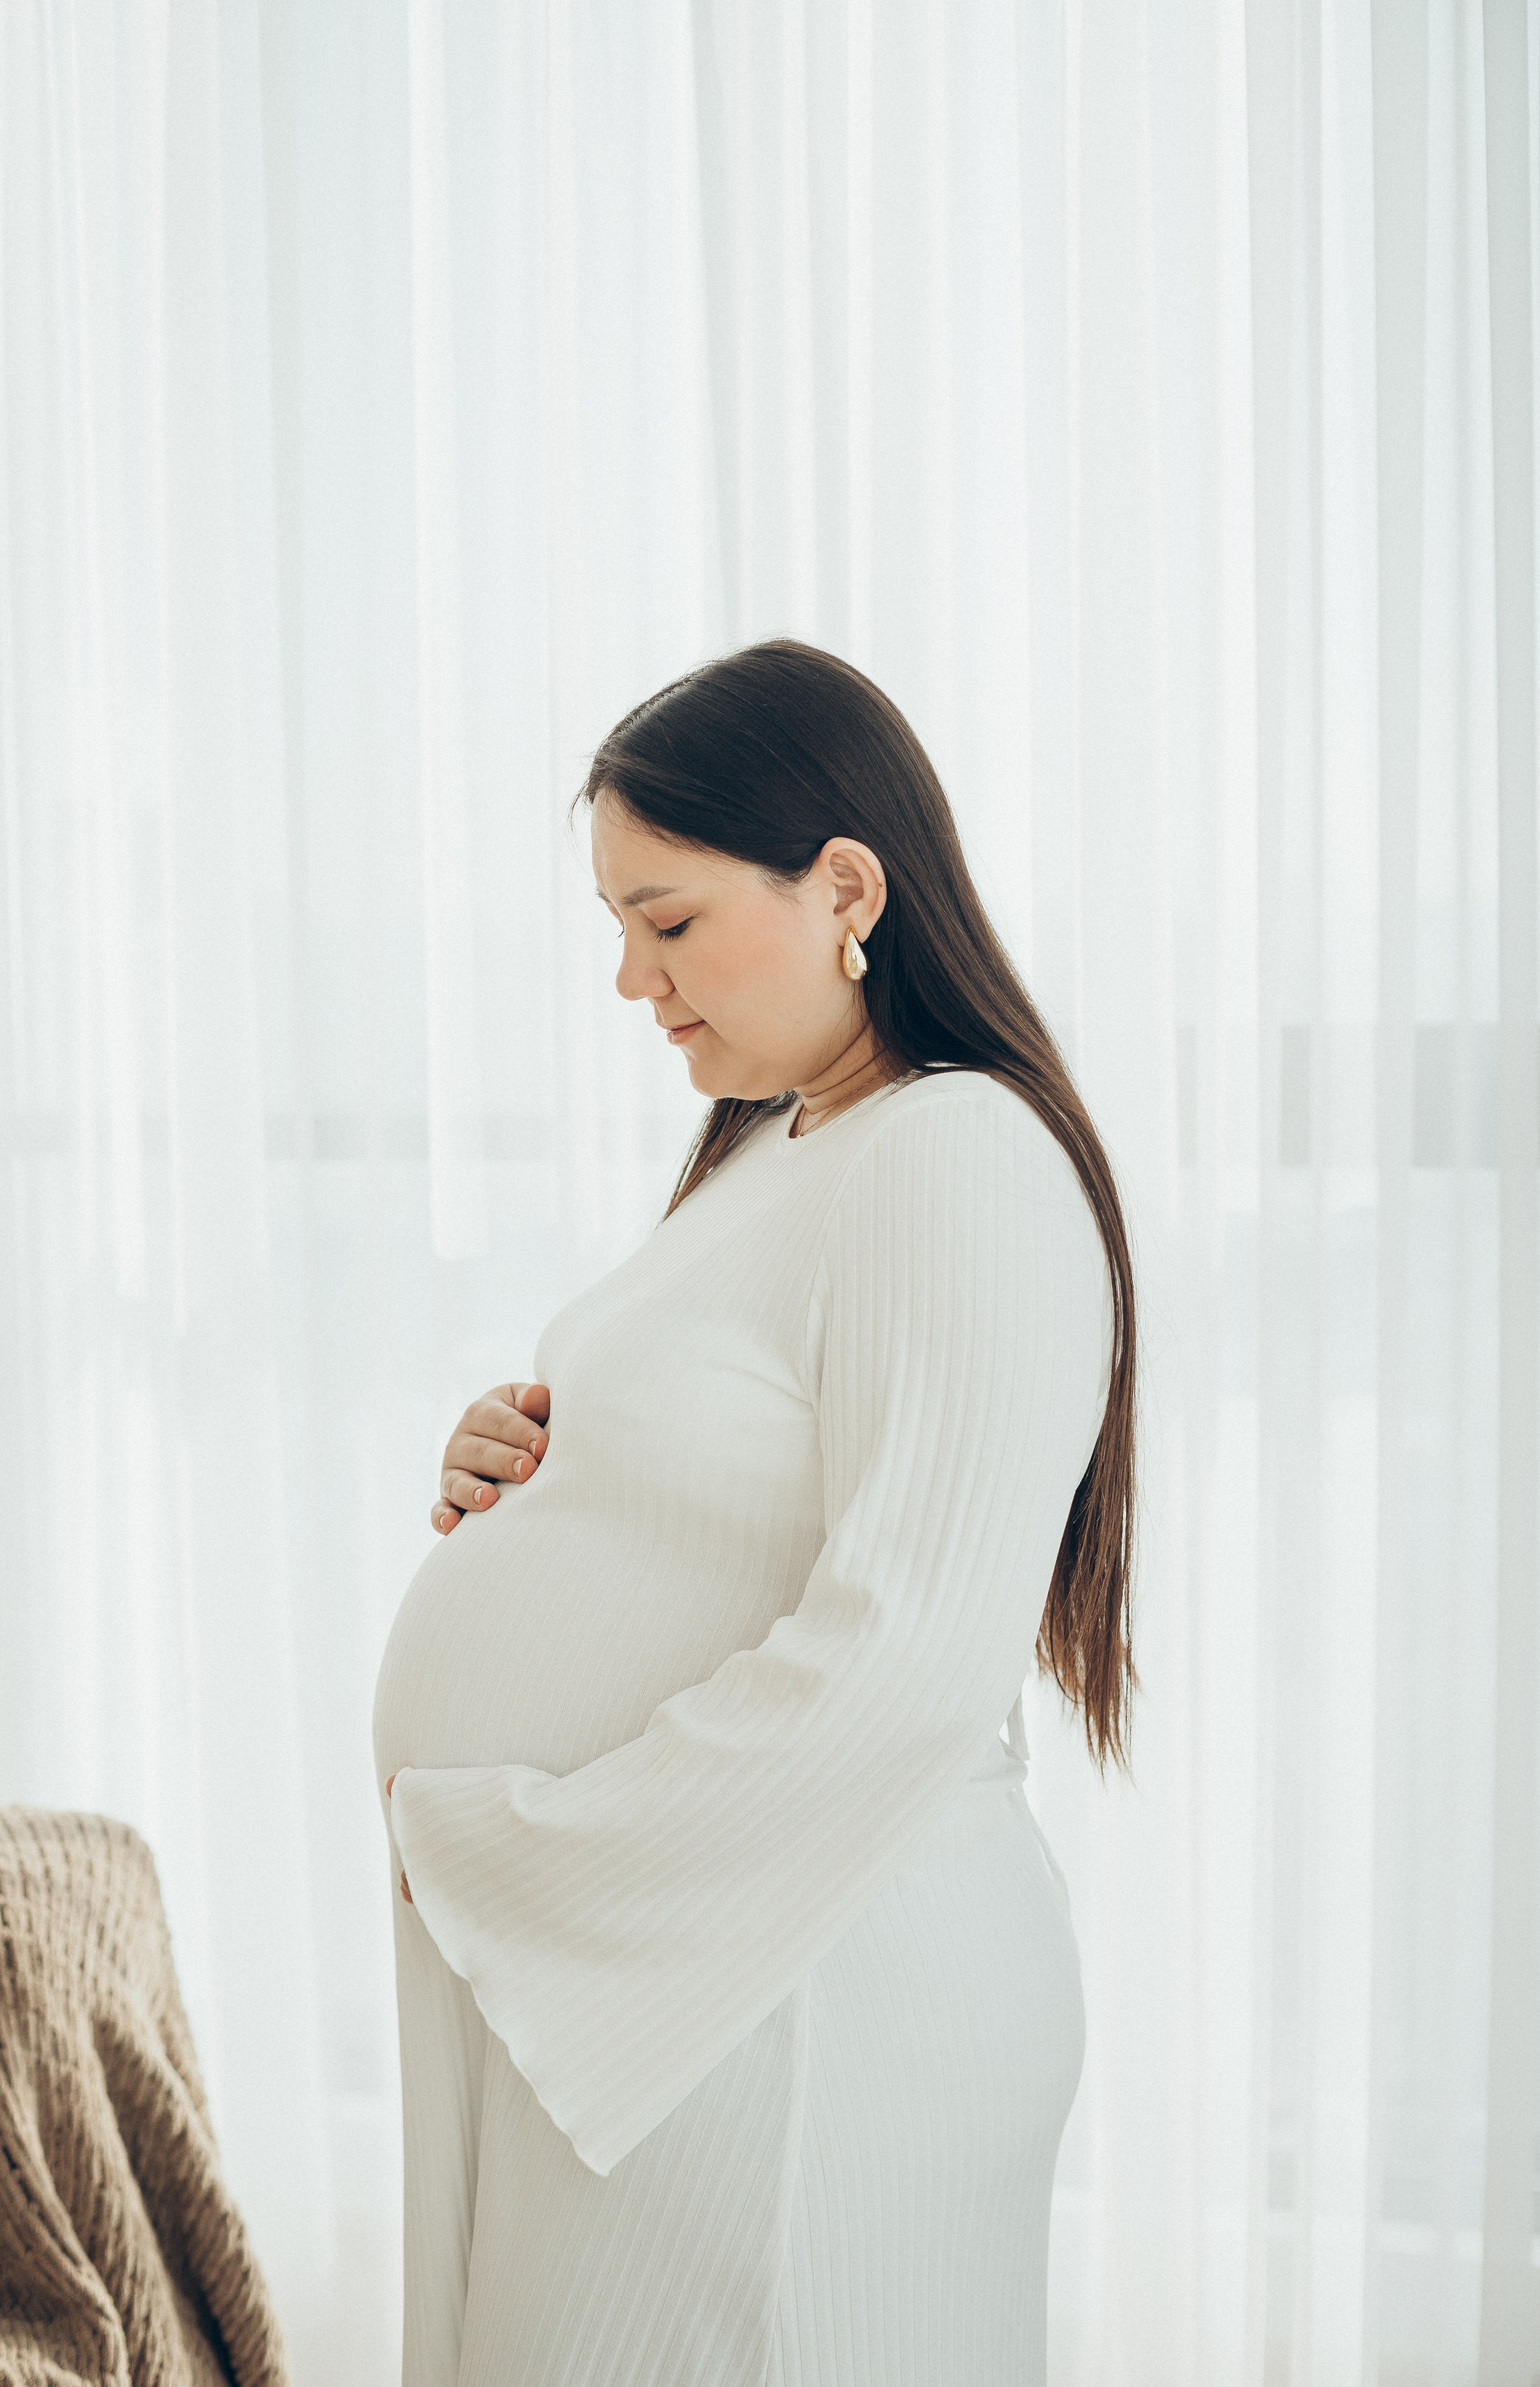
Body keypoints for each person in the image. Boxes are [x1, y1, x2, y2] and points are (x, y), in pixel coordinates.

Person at [372, 637, 1138, 2387]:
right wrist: (532, 1461)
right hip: (702, 2001)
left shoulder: (960, 1155)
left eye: (669, 921)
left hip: (800, 2007)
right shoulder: (777, 1143)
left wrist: (518, 1857)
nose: (630, 979)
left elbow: (909, 1660)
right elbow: (734, 1488)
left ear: (846, 890)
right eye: (614, 927)